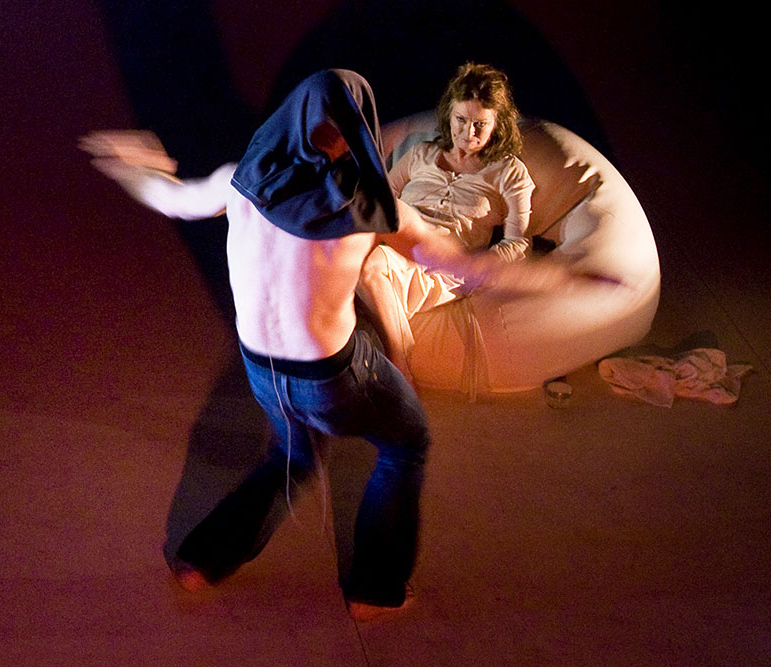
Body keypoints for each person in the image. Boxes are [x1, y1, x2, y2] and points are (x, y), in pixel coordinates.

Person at [81, 69, 593, 618]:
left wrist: (132, 167)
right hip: (331, 377)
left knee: (291, 456)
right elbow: (468, 267)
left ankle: (201, 561)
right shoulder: (374, 210)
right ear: (355, 134)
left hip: (261, 370)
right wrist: (562, 278)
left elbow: (171, 198)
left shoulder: (239, 181)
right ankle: (374, 591)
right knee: (407, 443)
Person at [359, 63, 534, 380]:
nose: (468, 133)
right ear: (449, 117)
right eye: (461, 120)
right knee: (348, 255)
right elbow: (381, 203)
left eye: (480, 124)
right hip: (397, 243)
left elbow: (518, 242)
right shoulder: (419, 155)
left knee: (373, 267)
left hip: (444, 263)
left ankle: (400, 362)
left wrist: (478, 266)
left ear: (497, 124)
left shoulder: (509, 172)